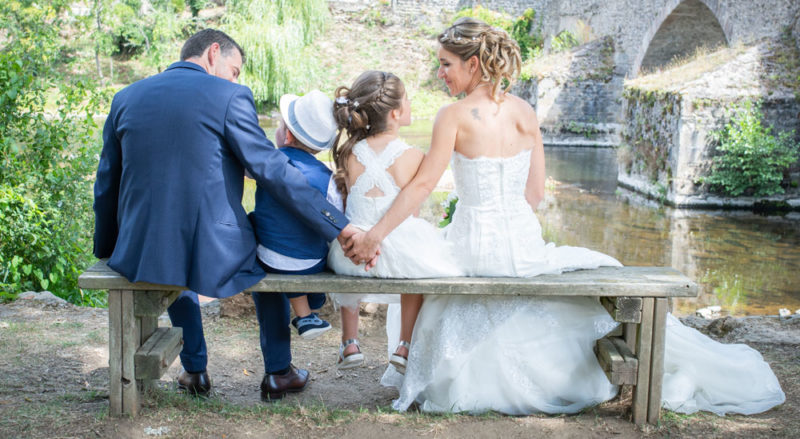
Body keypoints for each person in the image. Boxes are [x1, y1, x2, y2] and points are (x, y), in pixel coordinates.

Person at [343, 18, 785, 415]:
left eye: (445, 64)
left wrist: (375, 234)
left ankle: (410, 354)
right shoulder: (525, 113)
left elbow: (422, 186)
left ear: (474, 64)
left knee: (429, 267)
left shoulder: (453, 116)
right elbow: (534, 194)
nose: (440, 73)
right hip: (522, 241)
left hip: (474, 246)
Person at [93, 29, 360, 401]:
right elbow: (271, 169)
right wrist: (338, 224)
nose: (237, 79)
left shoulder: (126, 97)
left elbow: (107, 181)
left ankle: (195, 369)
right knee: (267, 257)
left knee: (175, 259)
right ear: (212, 53)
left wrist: (107, 247)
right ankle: (279, 370)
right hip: (216, 250)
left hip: (142, 249)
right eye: (234, 70)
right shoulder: (230, 96)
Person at [326, 71, 463, 371]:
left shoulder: (348, 153)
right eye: (407, 99)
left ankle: (350, 342)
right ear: (396, 113)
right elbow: (409, 211)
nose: (410, 102)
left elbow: (346, 205)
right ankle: (404, 345)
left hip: (350, 255)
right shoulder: (413, 155)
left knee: (353, 243)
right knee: (415, 257)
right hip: (396, 255)